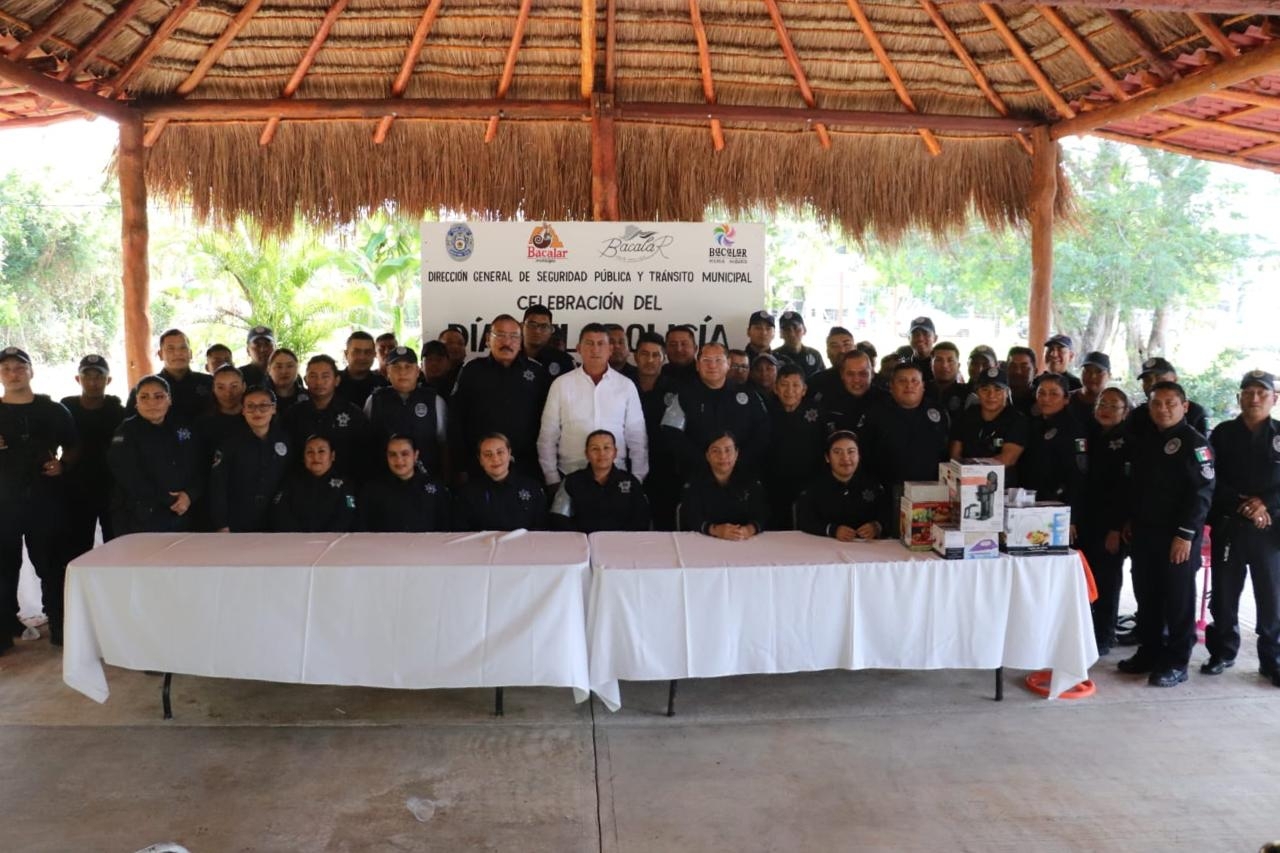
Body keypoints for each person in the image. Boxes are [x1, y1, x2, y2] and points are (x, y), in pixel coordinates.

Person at [1117, 381, 1214, 688]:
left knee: (1178, 600)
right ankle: (1149, 652)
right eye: (1157, 404)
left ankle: (1176, 662)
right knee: (1147, 595)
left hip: (1178, 538)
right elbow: (1136, 488)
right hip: (1145, 534)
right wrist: (1130, 519)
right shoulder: (1146, 441)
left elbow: (1202, 494)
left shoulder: (1195, 444)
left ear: (1184, 407)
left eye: (1171, 403)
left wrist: (1185, 535)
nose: (1163, 409)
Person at [1202, 370, 1280, 686]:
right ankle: (1222, 652)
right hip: (1230, 525)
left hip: (1270, 529)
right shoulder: (1222, 434)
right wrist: (1242, 503)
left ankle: (1272, 659)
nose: (1255, 398)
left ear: (1274, 399)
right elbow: (1208, 476)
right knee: (1223, 595)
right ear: (1239, 398)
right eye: (1248, 392)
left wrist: (1265, 504)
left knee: (1272, 598)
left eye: (1262, 393)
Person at [0, 346, 78, 651]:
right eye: (6, 369)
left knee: (51, 565)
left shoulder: (53, 410)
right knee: (4, 569)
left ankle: (60, 626)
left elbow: (73, 446)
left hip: (45, 502)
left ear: (31, 371)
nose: (13, 373)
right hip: (4, 505)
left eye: (19, 367)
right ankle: (4, 630)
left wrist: (64, 465)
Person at [537, 323, 648, 491]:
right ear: (579, 348)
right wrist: (551, 476)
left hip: (616, 477)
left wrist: (638, 477)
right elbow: (548, 435)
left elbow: (637, 437)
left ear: (610, 349)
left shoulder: (626, 386)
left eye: (601, 343)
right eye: (589, 343)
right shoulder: (561, 384)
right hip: (569, 475)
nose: (595, 349)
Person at [448, 313, 550, 483]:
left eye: (514, 336)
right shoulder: (472, 371)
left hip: (526, 466)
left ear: (521, 341)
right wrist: (461, 466)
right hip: (480, 467)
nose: (507, 342)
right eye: (500, 335)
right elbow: (456, 420)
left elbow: (548, 424)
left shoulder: (537, 373)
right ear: (488, 339)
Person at [661, 341, 771, 484]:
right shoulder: (683, 396)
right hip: (697, 477)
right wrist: (706, 462)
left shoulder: (748, 395)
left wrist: (736, 461)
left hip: (741, 475)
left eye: (718, 360)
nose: (712, 366)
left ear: (728, 363)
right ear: (697, 365)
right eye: (706, 360)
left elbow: (763, 432)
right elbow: (671, 432)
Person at [108, 375, 204, 536]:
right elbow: (129, 475)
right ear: (136, 402)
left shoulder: (183, 426)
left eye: (159, 396)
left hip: (185, 510)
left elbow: (200, 463)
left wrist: (189, 495)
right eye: (144, 397)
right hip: (142, 516)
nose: (152, 403)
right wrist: (170, 500)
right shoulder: (126, 431)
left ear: (169, 400)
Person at [859, 362, 950, 527]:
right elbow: (863, 456)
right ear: (891, 386)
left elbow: (947, 453)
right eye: (902, 381)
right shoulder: (876, 414)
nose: (909, 385)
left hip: (932, 493)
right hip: (888, 493)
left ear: (923, 386)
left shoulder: (938, 412)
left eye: (915, 381)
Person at [1078, 386, 1132, 655]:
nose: (1106, 409)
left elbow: (1125, 491)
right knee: (1087, 579)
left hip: (1111, 525)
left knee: (1107, 581)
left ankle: (1104, 635)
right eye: (1102, 403)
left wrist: (1115, 528)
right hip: (1087, 519)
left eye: (1113, 405)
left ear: (1125, 412)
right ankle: (1088, 632)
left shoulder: (1127, 442)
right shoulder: (1091, 434)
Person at [60, 355, 124, 557]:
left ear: (109, 380)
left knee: (116, 547)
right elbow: (46, 438)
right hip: (76, 489)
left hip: (112, 489)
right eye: (87, 376)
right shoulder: (65, 409)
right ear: (78, 379)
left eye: (99, 376)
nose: (93, 382)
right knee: (77, 549)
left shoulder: (119, 412)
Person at [208, 387, 294, 532]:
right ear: (243, 410)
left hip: (277, 518)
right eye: (251, 406)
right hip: (239, 519)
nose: (257, 411)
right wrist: (221, 523)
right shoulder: (230, 443)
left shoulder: (284, 440)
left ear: (274, 409)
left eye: (263, 405)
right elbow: (218, 486)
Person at [283, 354, 372, 481]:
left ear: (336, 380)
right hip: (302, 485)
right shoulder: (293, 414)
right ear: (306, 380)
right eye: (313, 376)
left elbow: (364, 455)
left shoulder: (353, 414)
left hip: (344, 486)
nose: (319, 382)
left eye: (325, 376)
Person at [364, 346, 448, 480]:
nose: (402, 372)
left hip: (425, 481)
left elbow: (443, 444)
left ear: (417, 371)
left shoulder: (434, 400)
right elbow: (367, 443)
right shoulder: (375, 400)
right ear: (387, 372)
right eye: (396, 367)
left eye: (408, 366)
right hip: (384, 481)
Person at [762, 364, 826, 529]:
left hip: (810, 482)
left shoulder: (817, 412)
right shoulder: (766, 412)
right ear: (776, 388)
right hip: (774, 484)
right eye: (784, 385)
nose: (790, 390)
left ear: (804, 389)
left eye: (796, 385)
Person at [550, 430, 651, 532]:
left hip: (622, 543)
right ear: (587, 454)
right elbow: (559, 517)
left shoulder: (631, 482)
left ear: (615, 452)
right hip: (581, 544)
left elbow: (641, 517)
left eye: (606, 448)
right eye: (595, 449)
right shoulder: (571, 481)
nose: (601, 453)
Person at [1017, 374, 1088, 520]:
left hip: (1058, 507)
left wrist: (1071, 517)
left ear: (1066, 398)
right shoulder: (1034, 424)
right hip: (1031, 502)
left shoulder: (1073, 429)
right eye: (1041, 393)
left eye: (1054, 394)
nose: (1046, 399)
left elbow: (1077, 476)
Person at [795, 431, 887, 540]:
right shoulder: (814, 488)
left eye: (851, 451)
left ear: (859, 456)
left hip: (865, 550)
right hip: (824, 548)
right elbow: (805, 520)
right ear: (827, 457)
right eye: (837, 452)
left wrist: (876, 527)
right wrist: (832, 530)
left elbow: (887, 517)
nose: (845, 458)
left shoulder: (874, 486)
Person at [632, 332, 680, 530]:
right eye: (644, 354)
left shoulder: (676, 389)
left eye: (656, 355)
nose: (650, 360)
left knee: (664, 525)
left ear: (664, 358)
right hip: (628, 466)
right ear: (635, 357)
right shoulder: (622, 385)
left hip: (665, 468)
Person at [679, 432, 767, 539]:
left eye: (728, 450)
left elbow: (763, 514)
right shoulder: (696, 481)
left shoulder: (750, 480)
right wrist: (715, 530)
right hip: (704, 542)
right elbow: (690, 516)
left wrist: (748, 530)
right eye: (716, 451)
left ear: (736, 453)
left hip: (743, 541)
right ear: (707, 455)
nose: (723, 456)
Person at [948, 367, 1027, 484]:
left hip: (1002, 487)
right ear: (977, 392)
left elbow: (1008, 459)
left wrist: (971, 472)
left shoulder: (1017, 420)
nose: (991, 395)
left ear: (1007, 392)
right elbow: (955, 455)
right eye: (985, 389)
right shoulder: (966, 416)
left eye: (998, 389)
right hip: (965, 483)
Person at [454, 433, 548, 531]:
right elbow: (462, 532)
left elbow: (541, 528)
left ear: (509, 453)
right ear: (480, 460)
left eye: (500, 452)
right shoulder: (468, 493)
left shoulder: (532, 488)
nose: (495, 459)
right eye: (488, 454)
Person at [359, 435, 450, 532]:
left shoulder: (434, 488)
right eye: (392, 454)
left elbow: (446, 527)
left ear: (415, 455)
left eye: (405, 454)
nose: (399, 460)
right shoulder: (373, 490)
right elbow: (362, 527)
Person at [271, 435, 358, 532]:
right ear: (303, 457)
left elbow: (346, 516)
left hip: (332, 542)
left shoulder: (344, 484)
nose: (315, 457)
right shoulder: (291, 482)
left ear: (332, 456)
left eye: (321, 451)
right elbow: (280, 513)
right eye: (310, 452)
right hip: (295, 542)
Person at [127, 328, 214, 421]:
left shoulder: (209, 383)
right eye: (170, 349)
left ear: (190, 353)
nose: (177, 353)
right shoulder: (144, 389)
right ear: (160, 355)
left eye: (183, 348)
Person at [1128, 357, 1209, 438]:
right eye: (1147, 380)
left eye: (1159, 379)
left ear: (1175, 380)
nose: (1152, 384)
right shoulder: (1136, 416)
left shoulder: (1195, 413)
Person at [821, 350, 885, 435]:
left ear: (872, 374)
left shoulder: (886, 401)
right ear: (842, 375)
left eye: (863, 374)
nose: (856, 380)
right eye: (850, 374)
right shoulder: (827, 402)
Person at [336, 331, 389, 409]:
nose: (362, 357)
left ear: (374, 355)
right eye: (356, 352)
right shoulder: (332, 383)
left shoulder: (384, 385)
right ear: (346, 354)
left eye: (367, 352)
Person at [521, 304, 575, 378]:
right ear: (522, 326)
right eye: (532, 325)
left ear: (550, 330)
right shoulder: (509, 357)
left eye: (544, 326)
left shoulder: (564, 361)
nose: (537, 331)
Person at [809, 326, 855, 403]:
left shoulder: (872, 381)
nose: (842, 351)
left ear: (855, 349)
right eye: (835, 346)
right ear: (827, 353)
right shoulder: (815, 383)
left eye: (846, 344)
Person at [773, 311, 824, 377]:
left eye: (796, 328)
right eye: (787, 329)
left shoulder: (815, 355)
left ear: (804, 330)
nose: (792, 334)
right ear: (780, 334)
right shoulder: (774, 357)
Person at [926, 341, 970, 417]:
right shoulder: (921, 391)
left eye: (950, 360)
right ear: (931, 365)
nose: (944, 365)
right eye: (939, 360)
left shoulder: (968, 396)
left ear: (958, 366)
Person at [1069, 351, 1111, 425]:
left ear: (1109, 376)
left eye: (1099, 372)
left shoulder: (1115, 406)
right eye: (1087, 371)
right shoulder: (1065, 400)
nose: (1092, 376)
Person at [266, 348, 307, 414]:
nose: (284, 371)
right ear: (269, 370)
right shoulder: (259, 398)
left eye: (290, 366)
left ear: (297, 369)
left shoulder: (308, 397)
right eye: (279, 367)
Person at [1006, 346, 1037, 415]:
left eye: (1024, 367)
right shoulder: (996, 397)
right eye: (1013, 366)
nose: (1017, 371)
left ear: (1035, 372)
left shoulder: (1040, 400)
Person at [907, 316, 936, 383]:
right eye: (915, 335)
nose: (920, 339)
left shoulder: (942, 368)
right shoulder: (904, 368)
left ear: (935, 338)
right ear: (909, 339)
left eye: (926, 334)